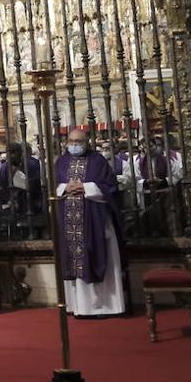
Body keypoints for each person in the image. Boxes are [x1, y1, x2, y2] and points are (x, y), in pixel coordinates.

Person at [55, 129, 125, 317]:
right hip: (70, 223)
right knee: (74, 260)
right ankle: (77, 306)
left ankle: (103, 306)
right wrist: (64, 188)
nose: (75, 145)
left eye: (79, 141)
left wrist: (85, 187)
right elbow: (53, 186)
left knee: (96, 255)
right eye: (71, 141)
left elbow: (110, 187)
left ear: (87, 142)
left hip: (95, 221)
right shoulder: (61, 162)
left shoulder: (98, 161)